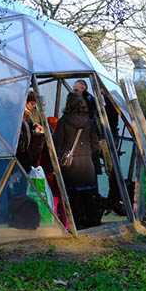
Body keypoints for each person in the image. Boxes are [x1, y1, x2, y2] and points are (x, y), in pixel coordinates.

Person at [53, 92, 100, 229]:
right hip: (87, 166)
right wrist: (85, 153)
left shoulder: (63, 122)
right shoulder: (89, 122)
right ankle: (92, 225)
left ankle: (75, 226)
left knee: (73, 199)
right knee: (88, 197)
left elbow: (57, 146)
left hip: (70, 167)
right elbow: (95, 145)